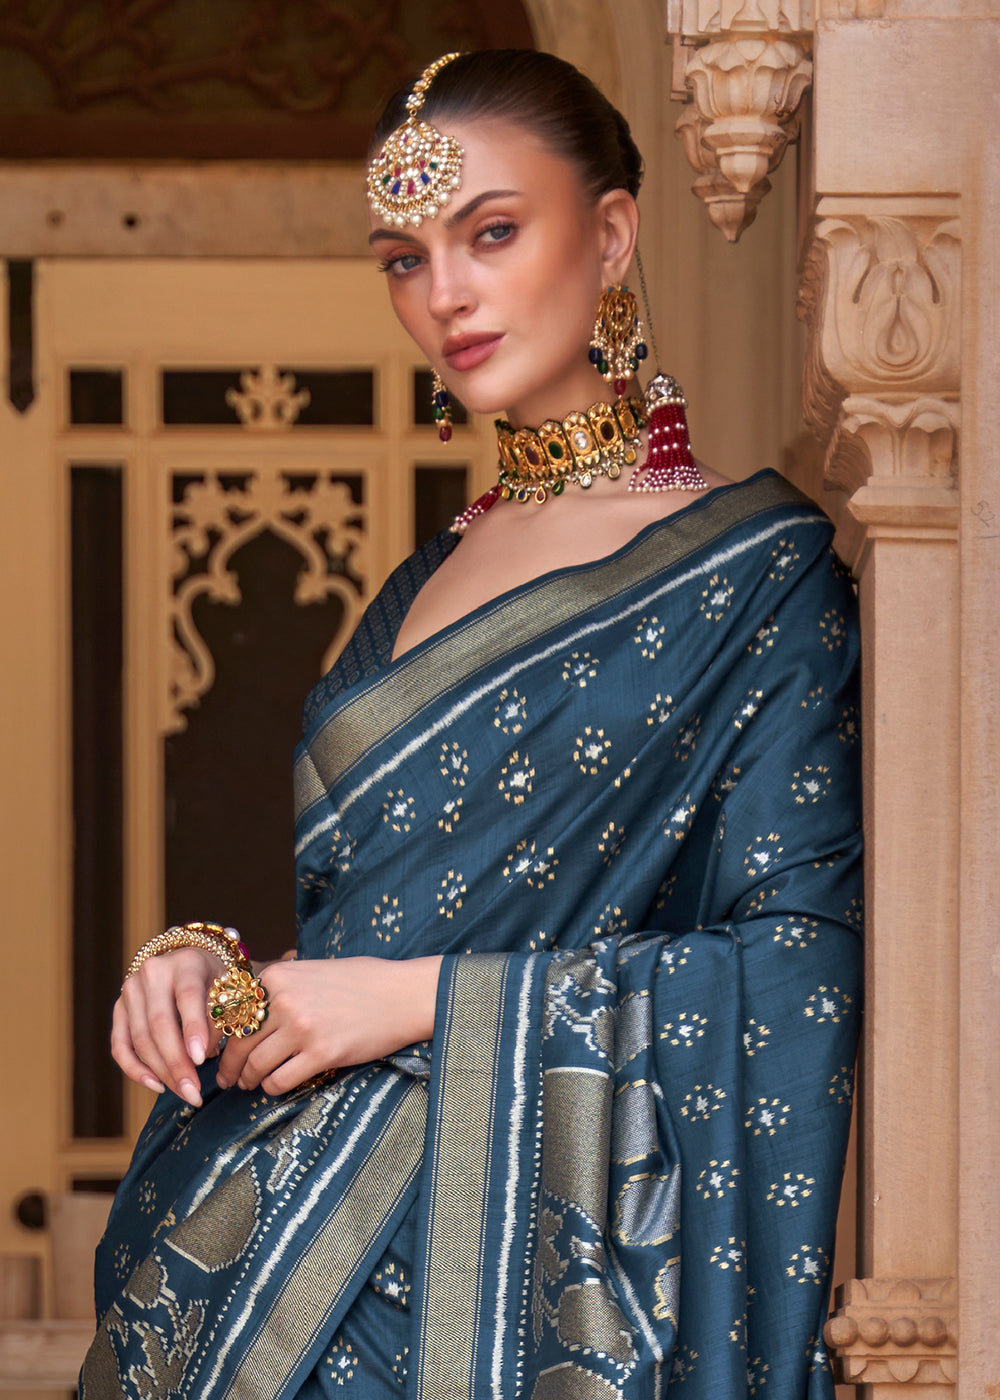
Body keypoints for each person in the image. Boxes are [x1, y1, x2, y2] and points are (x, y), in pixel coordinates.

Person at [82, 49, 862, 1400]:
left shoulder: (753, 577)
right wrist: (213, 973)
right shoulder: (417, 584)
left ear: (611, 235)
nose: (443, 294)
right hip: (265, 1257)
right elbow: (360, 929)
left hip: (501, 1289)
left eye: (490, 232)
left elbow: (795, 967)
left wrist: (418, 1003)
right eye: (404, 258)